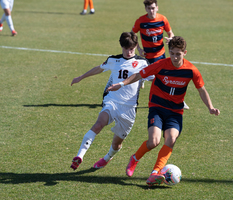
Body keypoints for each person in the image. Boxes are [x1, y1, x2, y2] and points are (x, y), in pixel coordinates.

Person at [107, 36, 220, 186]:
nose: (174, 57)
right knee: (154, 141)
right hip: (157, 108)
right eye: (172, 53)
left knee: (171, 139)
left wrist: (210, 107)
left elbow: (201, 90)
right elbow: (139, 74)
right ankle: (134, 159)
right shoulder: (161, 64)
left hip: (175, 112)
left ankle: (155, 173)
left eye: (178, 54)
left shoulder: (191, 70)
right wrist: (121, 84)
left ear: (184, 53)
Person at [70, 32, 153, 171]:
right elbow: (98, 68)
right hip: (112, 101)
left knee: (116, 145)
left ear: (136, 46)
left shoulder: (143, 63)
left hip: (129, 108)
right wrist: (81, 77)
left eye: (131, 48)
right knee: (98, 124)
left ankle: (107, 158)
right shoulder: (113, 60)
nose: (129, 51)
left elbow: (155, 79)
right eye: (126, 48)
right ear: (121, 46)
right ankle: (79, 156)